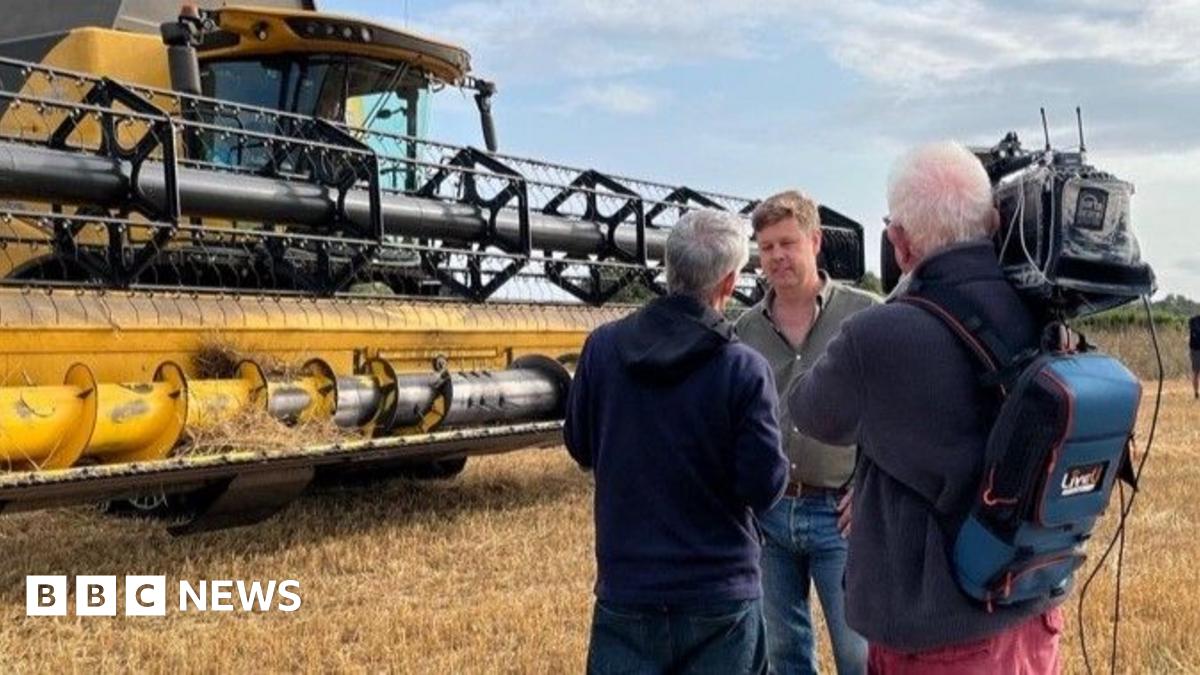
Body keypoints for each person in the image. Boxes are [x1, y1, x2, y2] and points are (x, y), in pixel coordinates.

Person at [788, 141, 1064, 673]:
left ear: (899, 243)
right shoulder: (1042, 308)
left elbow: (810, 410)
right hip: (1031, 611)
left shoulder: (880, 334)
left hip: (941, 639)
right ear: (994, 220)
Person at [565, 209, 789, 675]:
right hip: (719, 594)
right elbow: (762, 488)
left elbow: (580, 446)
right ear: (728, 283)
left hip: (628, 586)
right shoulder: (743, 369)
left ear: (669, 268)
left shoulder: (603, 349)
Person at [734, 191, 875, 675]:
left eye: (787, 243)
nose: (775, 256)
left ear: (815, 241)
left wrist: (868, 485)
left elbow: (894, 412)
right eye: (766, 246)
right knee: (784, 653)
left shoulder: (865, 317)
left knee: (858, 655)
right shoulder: (744, 331)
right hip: (770, 516)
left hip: (840, 515)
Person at [1190, 314, 1199, 400]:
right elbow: (1195, 335)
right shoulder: (1194, 320)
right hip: (1196, 350)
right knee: (1196, 372)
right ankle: (1196, 393)